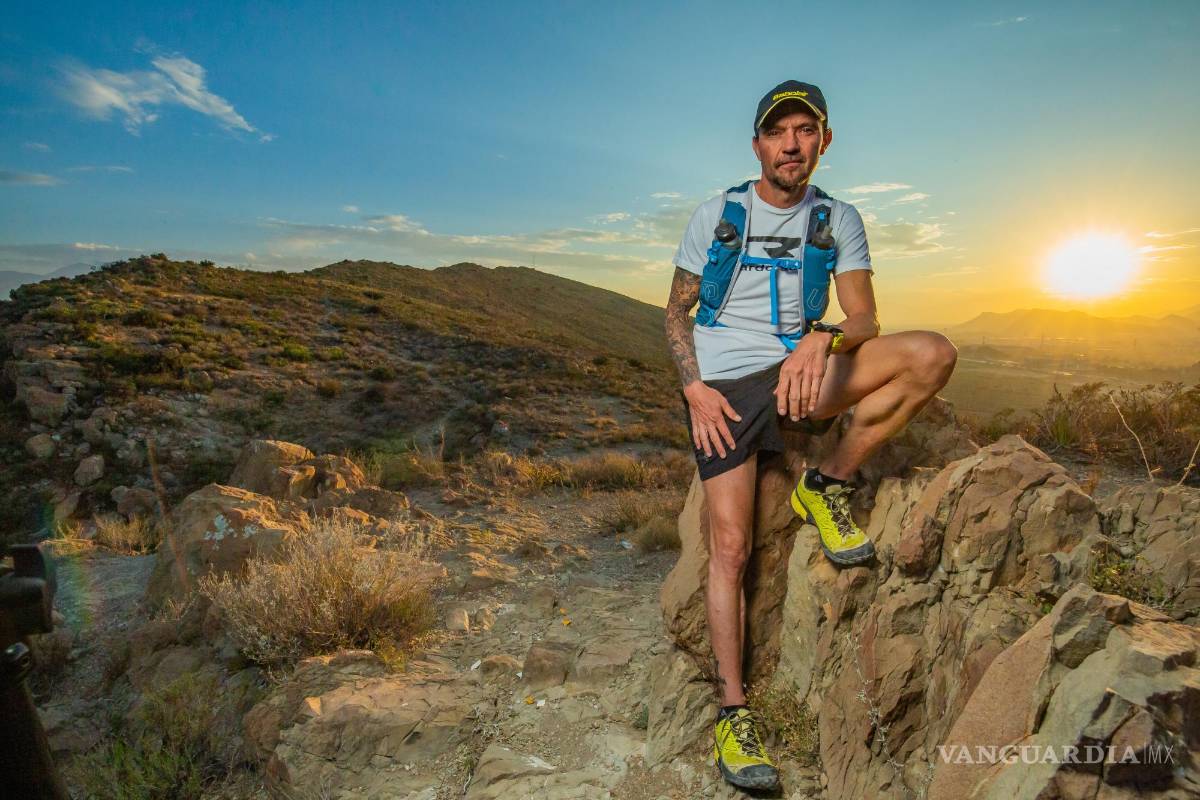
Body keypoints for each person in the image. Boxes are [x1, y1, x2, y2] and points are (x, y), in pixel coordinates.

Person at [663, 79, 958, 791]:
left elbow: (865, 320)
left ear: (824, 141)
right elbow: (675, 313)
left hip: (802, 377)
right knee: (730, 547)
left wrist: (819, 339)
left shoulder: (837, 218)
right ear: (758, 144)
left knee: (932, 355)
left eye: (806, 131)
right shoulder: (719, 213)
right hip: (724, 393)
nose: (792, 144)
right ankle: (734, 715)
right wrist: (693, 387)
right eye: (778, 132)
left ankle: (823, 483)